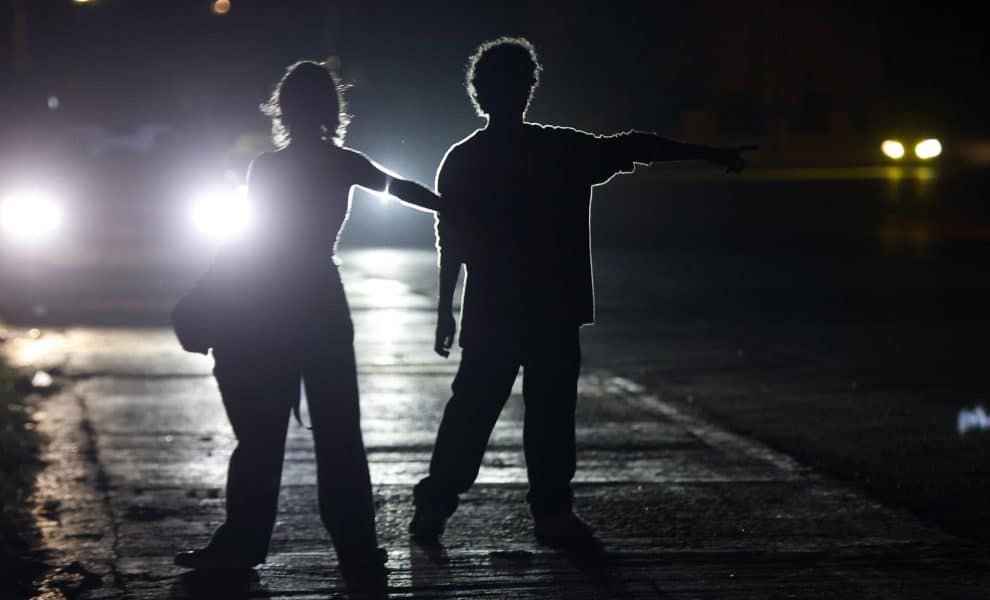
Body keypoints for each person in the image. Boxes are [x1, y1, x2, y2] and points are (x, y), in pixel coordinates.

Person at [410, 38, 753, 548]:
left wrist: (446, 310)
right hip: (553, 307)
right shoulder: (560, 150)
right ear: (529, 89)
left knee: (472, 413)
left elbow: (451, 241)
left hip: (494, 310)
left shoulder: (464, 159)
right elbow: (636, 144)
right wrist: (707, 153)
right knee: (549, 415)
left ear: (478, 92)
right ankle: (551, 514)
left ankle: (435, 508)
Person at [172, 60, 444, 592]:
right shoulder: (344, 162)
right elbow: (399, 188)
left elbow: (253, 240)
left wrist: (210, 295)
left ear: (284, 110)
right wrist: (453, 206)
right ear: (330, 110)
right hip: (322, 303)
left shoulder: (267, 169)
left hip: (272, 306)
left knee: (261, 436)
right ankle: (358, 549)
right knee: (340, 435)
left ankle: (241, 544)